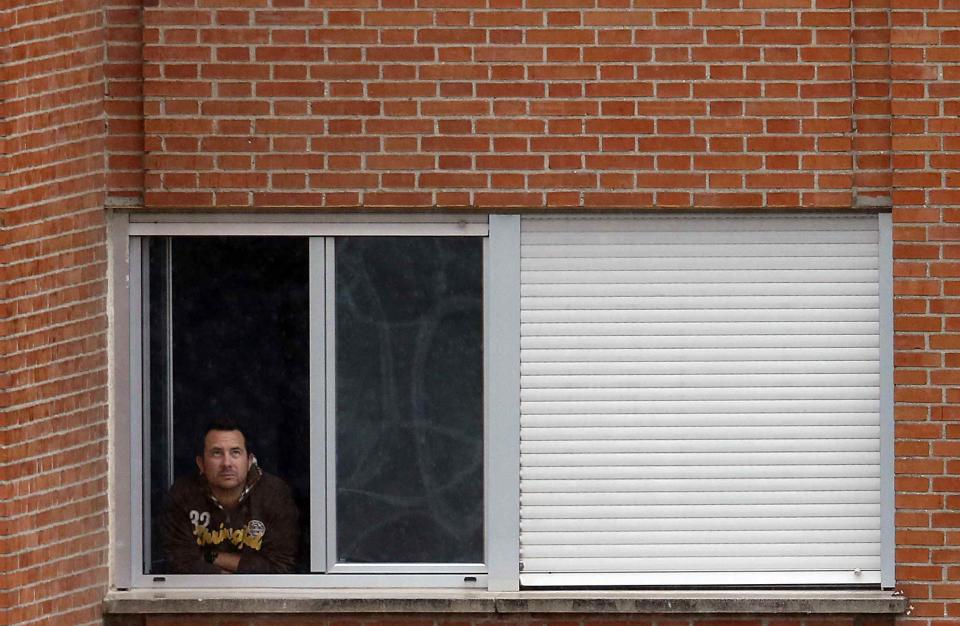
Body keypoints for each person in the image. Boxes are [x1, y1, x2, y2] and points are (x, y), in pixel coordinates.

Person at [162, 419, 299, 574]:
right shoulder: (184, 494)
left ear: (249, 461)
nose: (227, 463)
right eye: (217, 453)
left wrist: (211, 556)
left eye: (235, 452)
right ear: (201, 463)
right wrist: (224, 576)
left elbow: (280, 567)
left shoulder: (274, 494)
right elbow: (178, 563)